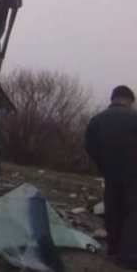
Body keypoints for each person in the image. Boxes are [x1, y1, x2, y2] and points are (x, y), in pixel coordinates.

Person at [85, 85, 137, 268]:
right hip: (133, 174)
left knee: (113, 209)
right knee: (132, 212)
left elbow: (90, 146)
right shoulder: (134, 118)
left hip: (110, 172)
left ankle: (113, 249)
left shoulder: (97, 119)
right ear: (129, 100)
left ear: (113, 98)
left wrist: (103, 165)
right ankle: (129, 256)